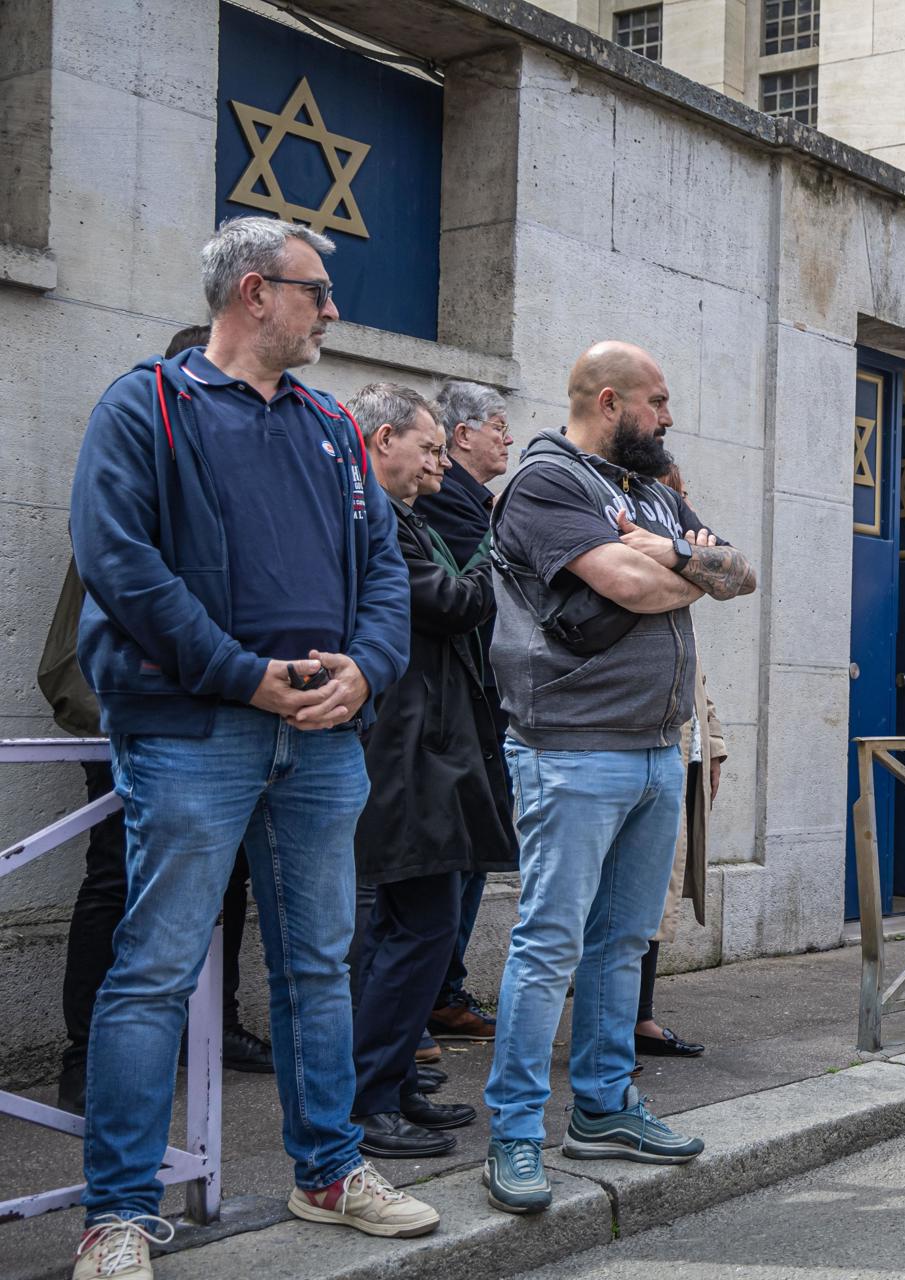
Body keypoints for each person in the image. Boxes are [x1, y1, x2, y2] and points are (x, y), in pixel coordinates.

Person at [67, 216, 435, 1279]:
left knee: (319, 964)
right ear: (251, 293)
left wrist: (366, 668)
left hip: (321, 739)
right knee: (154, 970)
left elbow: (384, 572)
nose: (331, 311)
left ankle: (327, 1169)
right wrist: (243, 673)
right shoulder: (148, 405)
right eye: (315, 292)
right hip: (196, 730)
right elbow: (120, 563)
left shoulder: (330, 427)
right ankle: (119, 1213)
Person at [481, 341, 755, 1214]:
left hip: (653, 747)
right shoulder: (546, 485)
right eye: (659, 402)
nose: (669, 418)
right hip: (571, 746)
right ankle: (516, 1133)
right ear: (610, 401)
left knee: (624, 942)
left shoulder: (652, 493)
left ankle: (602, 1108)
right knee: (549, 943)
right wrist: (680, 562)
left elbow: (739, 574)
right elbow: (628, 585)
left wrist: (662, 551)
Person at [40, 324, 274, 1118]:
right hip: (125, 710)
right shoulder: (140, 453)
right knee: (115, 877)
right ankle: (84, 1055)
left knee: (228, 877)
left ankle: (220, 1025)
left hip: (214, 710)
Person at [347, 383, 517, 1159]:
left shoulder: (399, 517)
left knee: (413, 925)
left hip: (428, 744)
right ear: (384, 441)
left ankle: (396, 1087)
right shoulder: (368, 518)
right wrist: (494, 562)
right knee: (415, 927)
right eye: (428, 447)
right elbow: (451, 602)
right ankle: (372, 1096)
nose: (438, 462)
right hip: (403, 750)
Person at [415, 379, 517, 1045]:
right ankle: (427, 998)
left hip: (478, 707)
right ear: (461, 437)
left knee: (472, 855)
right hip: (450, 710)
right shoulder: (450, 506)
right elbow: (471, 599)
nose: (508, 438)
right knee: (448, 860)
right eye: (498, 427)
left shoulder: (476, 504)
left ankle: (441, 994)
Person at [635, 459, 723, 1061]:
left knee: (659, 895)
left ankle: (638, 1018)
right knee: (634, 897)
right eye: (680, 497)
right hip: (644, 748)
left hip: (681, 753)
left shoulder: (676, 574)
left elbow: (697, 669)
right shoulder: (636, 568)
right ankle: (614, 1027)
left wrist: (713, 747)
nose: (689, 510)